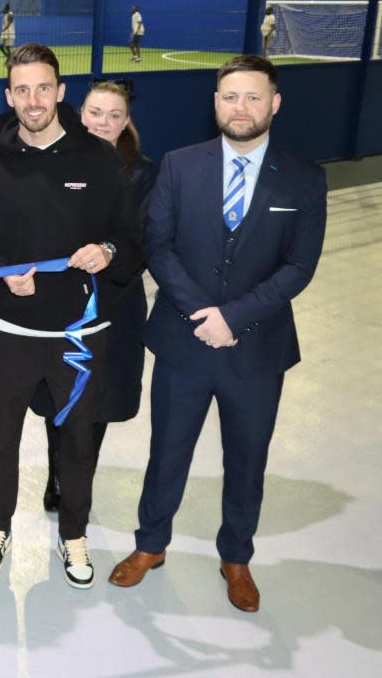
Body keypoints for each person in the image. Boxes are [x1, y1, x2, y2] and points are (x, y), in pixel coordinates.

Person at [109, 55, 327, 613]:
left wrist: (235, 318)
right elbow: (158, 245)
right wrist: (203, 311)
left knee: (247, 457)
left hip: (257, 348)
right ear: (215, 104)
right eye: (231, 97)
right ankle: (150, 545)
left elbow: (299, 267)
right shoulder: (181, 166)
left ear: (274, 104)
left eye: (254, 97)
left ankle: (236, 556)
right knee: (168, 452)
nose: (241, 108)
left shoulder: (305, 176)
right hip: (185, 341)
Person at [0, 43, 143, 589]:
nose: (33, 100)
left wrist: (108, 252)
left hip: (79, 335)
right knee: (4, 437)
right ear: (8, 95)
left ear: (61, 92)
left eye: (44, 88)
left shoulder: (100, 158)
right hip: (11, 331)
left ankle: (74, 533)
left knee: (78, 440)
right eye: (22, 89)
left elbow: (131, 241)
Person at [35, 80, 158, 513]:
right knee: (58, 393)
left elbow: (144, 241)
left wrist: (107, 253)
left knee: (99, 397)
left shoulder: (144, 173)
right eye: (95, 113)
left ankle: (80, 478)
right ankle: (56, 475)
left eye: (114, 116)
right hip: (59, 304)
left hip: (115, 305)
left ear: (126, 122)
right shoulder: (53, 161)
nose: (103, 123)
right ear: (80, 112)